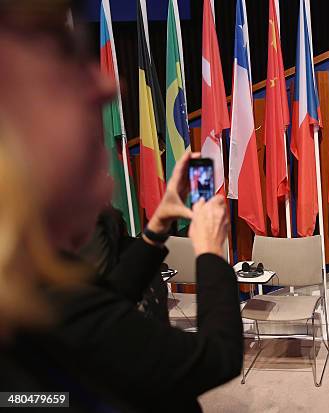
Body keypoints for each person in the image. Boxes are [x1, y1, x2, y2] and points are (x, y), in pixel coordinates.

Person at [0, 1, 242, 411]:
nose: (108, 87)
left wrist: (157, 227)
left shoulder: (31, 283)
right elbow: (216, 357)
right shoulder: (48, 300)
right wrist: (210, 253)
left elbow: (101, 305)